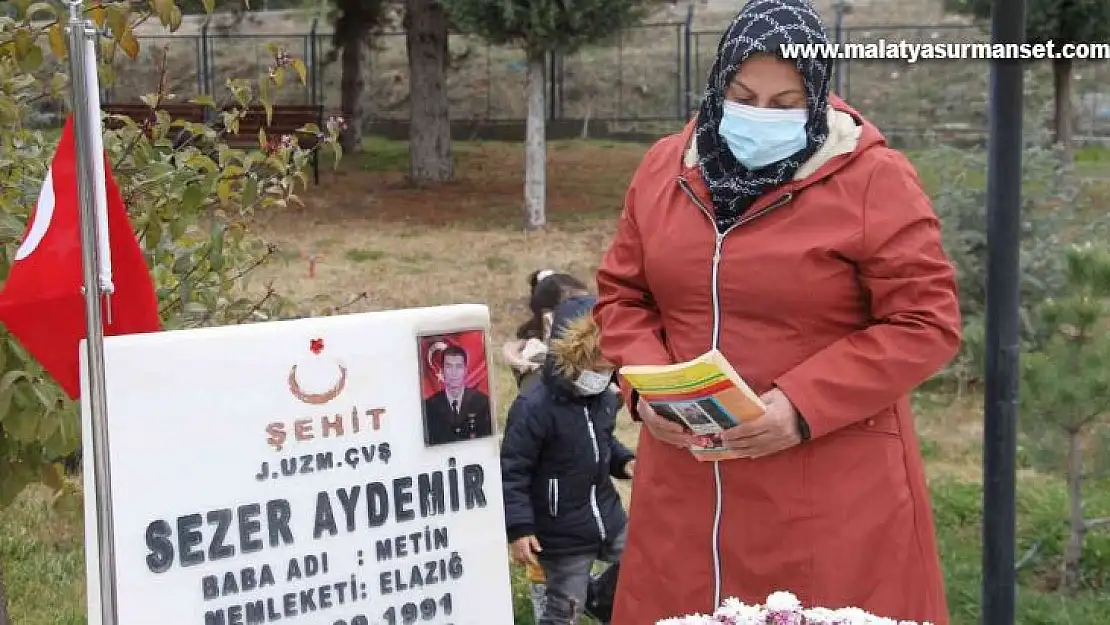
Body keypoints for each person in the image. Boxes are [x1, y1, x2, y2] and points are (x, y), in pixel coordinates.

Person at [591, 0, 961, 623]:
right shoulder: (665, 167)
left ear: (817, 96)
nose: (759, 115)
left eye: (784, 104)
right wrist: (644, 389)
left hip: (825, 487)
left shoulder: (874, 179)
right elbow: (623, 295)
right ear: (717, 83)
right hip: (684, 482)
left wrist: (804, 405)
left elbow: (926, 321)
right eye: (743, 95)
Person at [501, 295, 636, 625]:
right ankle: (582, 600)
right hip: (560, 533)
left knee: (642, 564)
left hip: (608, 516)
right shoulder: (534, 407)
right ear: (575, 356)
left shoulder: (603, 398)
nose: (604, 373)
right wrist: (520, 529)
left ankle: (600, 600)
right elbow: (513, 471)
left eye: (609, 367)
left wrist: (624, 462)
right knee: (564, 608)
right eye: (598, 366)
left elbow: (601, 442)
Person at [502, 271, 593, 392]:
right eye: (576, 309)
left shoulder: (587, 349)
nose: (587, 317)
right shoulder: (535, 355)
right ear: (549, 318)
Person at [423, 344, 493, 445]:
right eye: (449, 366)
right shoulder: (429, 406)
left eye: (458, 367)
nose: (454, 373)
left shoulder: (482, 402)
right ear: (442, 370)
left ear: (465, 370)